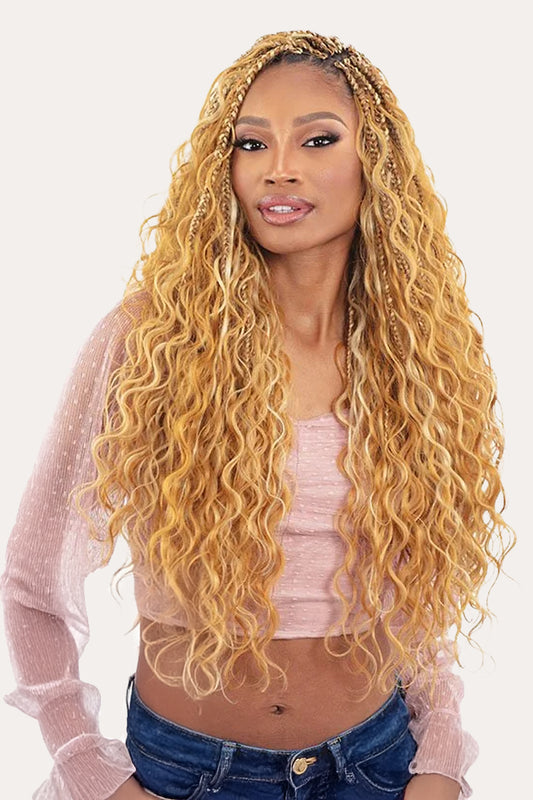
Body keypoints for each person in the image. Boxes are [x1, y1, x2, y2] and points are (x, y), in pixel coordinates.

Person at [1, 30, 514, 800]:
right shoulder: (151, 341)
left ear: (374, 161)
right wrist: (86, 766)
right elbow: (32, 582)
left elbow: (417, 602)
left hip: (377, 766)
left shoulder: (417, 353)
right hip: (187, 774)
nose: (279, 167)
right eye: (251, 143)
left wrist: (438, 757)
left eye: (317, 139)